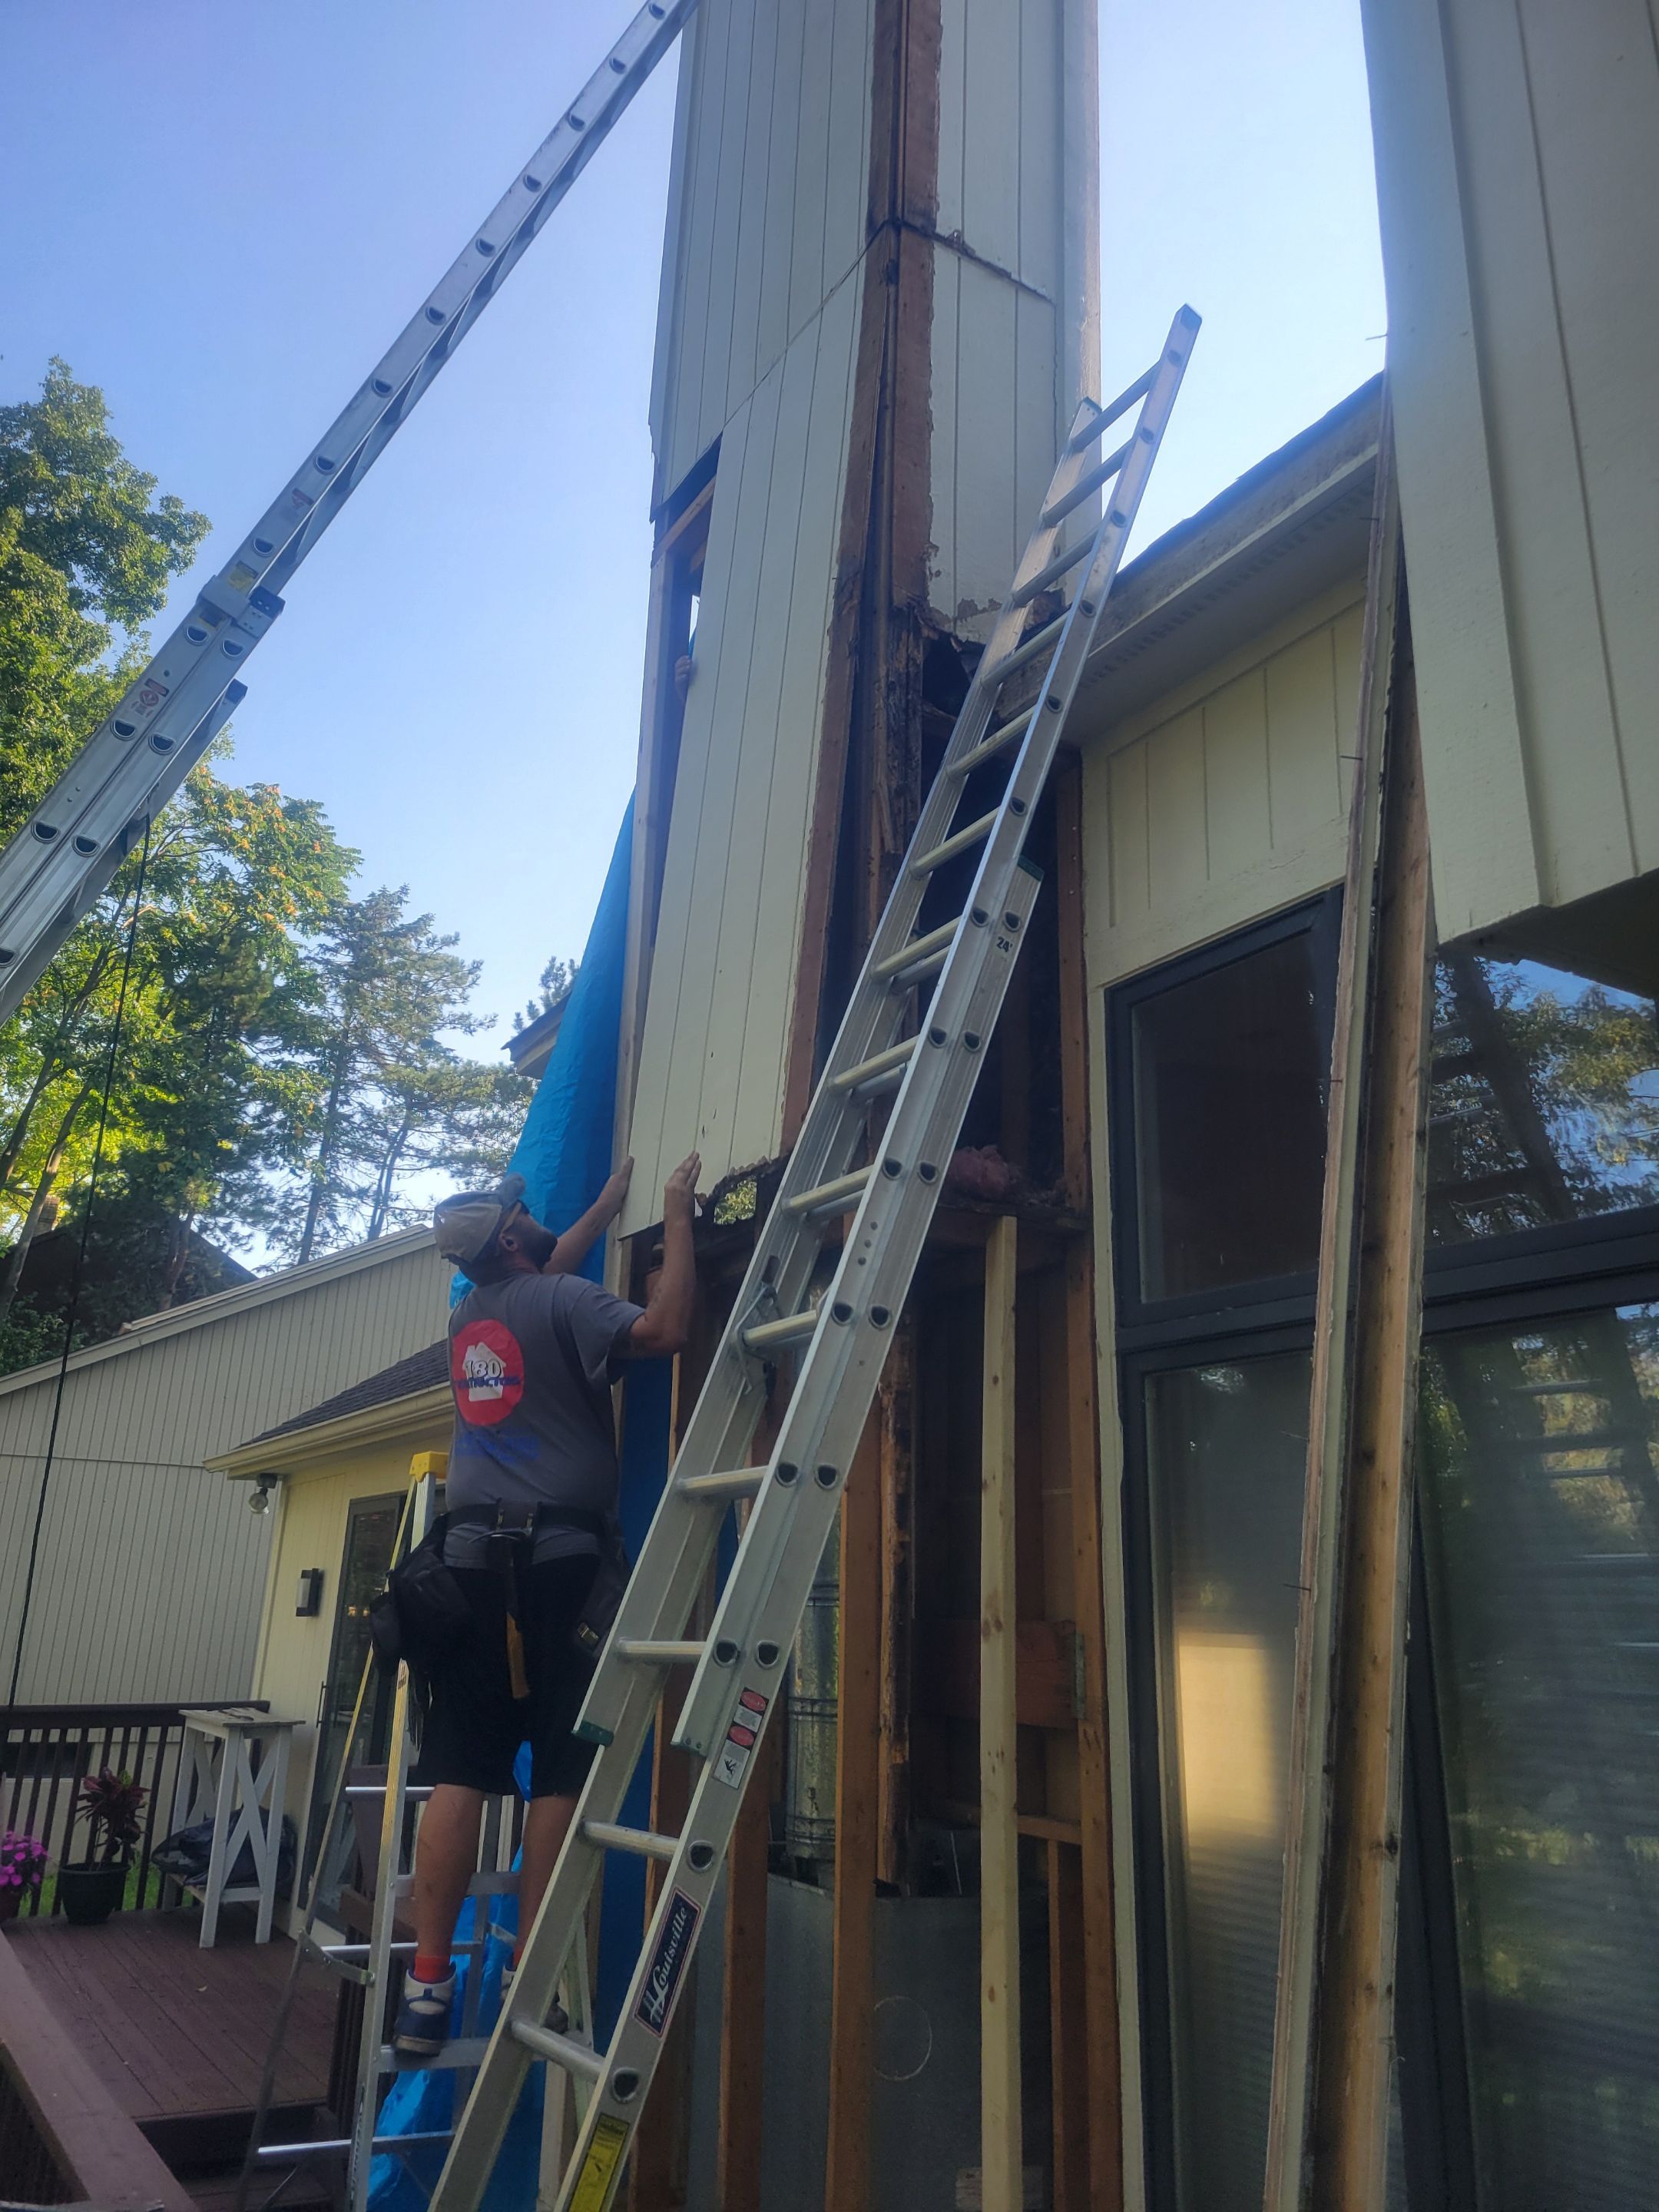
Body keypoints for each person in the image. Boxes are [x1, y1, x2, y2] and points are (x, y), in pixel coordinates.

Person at [392, 1151, 700, 2061]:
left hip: (469, 1567)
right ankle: (531, 1965)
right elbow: (667, 1329)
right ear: (514, 1240)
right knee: (562, 1773)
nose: (535, 1217)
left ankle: (428, 1986)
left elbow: (548, 1269)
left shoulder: (472, 1314)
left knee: (461, 1769)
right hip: (562, 1565)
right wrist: (674, 1215)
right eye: (526, 1216)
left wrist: (606, 1198)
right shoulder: (562, 1304)